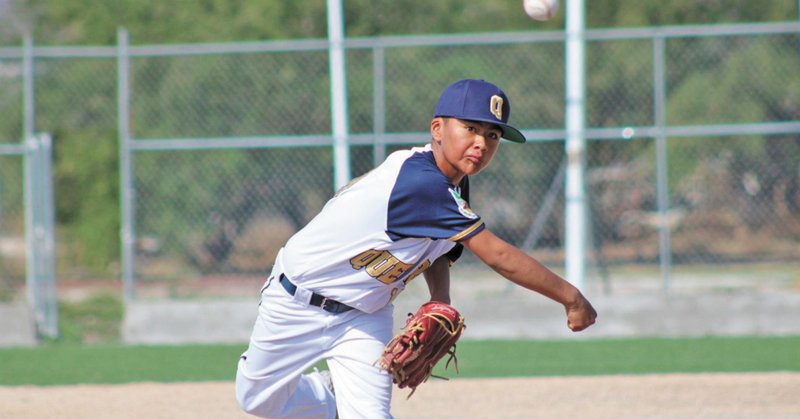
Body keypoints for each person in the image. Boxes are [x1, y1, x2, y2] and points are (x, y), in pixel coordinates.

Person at [235, 79, 597, 418]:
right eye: (470, 128)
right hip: (296, 302)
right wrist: (571, 297)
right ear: (437, 129)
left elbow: (434, 251)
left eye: (492, 135)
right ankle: (329, 397)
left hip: (363, 315)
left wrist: (440, 299)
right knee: (256, 400)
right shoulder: (422, 183)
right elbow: (498, 255)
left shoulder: (453, 184)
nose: (482, 143)